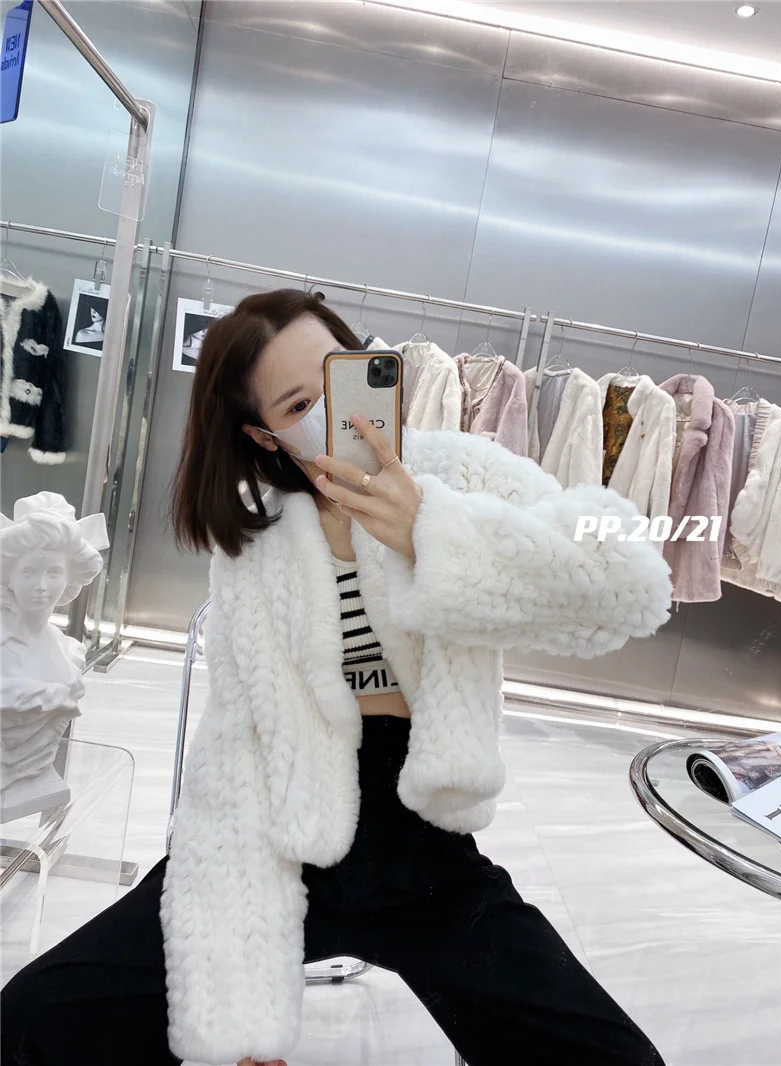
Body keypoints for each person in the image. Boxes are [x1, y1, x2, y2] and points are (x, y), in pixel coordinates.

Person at [2, 288, 673, 1066]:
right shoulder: (257, 538)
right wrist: (232, 1012)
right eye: (298, 403)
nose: (333, 407)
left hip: (426, 854)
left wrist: (435, 532)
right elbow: (238, 739)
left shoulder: (459, 469)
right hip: (282, 836)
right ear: (263, 434)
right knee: (36, 1018)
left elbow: (629, 583)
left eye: (339, 373)